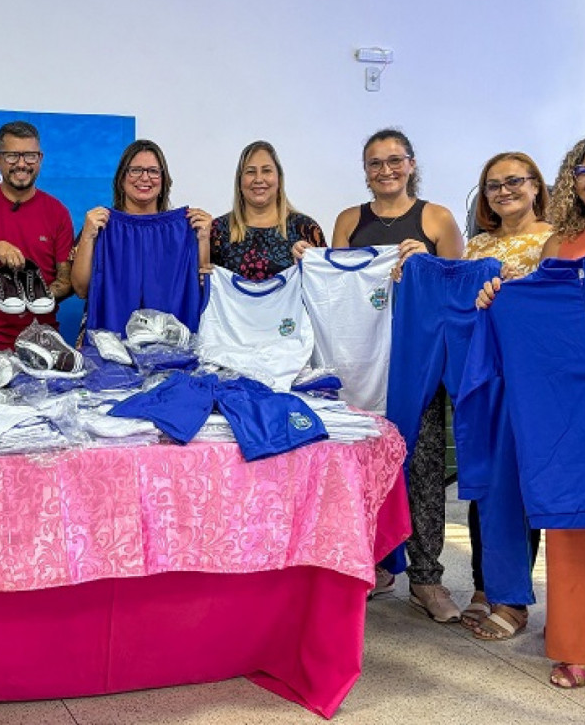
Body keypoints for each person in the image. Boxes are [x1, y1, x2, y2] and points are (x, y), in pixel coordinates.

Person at [476, 132, 585, 707]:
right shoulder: (560, 244)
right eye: (584, 170)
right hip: (569, 398)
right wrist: (500, 297)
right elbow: (533, 308)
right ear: (570, 182)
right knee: (574, 512)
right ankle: (582, 647)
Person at [330, 128, 464, 622]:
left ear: (411, 164)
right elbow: (336, 291)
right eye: (374, 163)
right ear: (365, 171)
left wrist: (426, 265)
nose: (385, 170)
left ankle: (427, 579)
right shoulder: (348, 220)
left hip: (418, 359)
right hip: (360, 362)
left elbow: (459, 291)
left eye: (394, 160)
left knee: (423, 468)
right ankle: (375, 566)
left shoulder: (436, 218)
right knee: (363, 470)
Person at [459, 152, 552, 641]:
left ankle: (513, 598)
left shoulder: (555, 240)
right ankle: (483, 583)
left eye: (514, 181)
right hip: (483, 373)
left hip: (531, 375)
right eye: (493, 185)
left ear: (536, 185)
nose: (504, 191)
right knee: (479, 478)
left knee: (516, 482)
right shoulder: (476, 245)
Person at [0, 121, 74, 350]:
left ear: (39, 158)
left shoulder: (57, 212)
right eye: (12, 156)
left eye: (29, 156)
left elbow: (67, 280)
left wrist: (38, 295)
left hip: (43, 341)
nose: (21, 164)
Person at [70, 138, 212, 299]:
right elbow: (82, 290)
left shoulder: (185, 229)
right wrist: (88, 237)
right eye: (136, 170)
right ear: (122, 178)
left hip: (166, 324)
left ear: (164, 180)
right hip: (108, 323)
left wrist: (203, 240)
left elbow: (199, 289)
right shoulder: (99, 225)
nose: (145, 178)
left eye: (153, 171)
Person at [210, 140, 323, 280]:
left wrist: (308, 266)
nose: (258, 179)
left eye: (266, 171)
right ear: (239, 181)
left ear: (279, 179)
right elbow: (202, 287)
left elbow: (325, 288)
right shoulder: (217, 231)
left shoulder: (305, 229)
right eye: (250, 172)